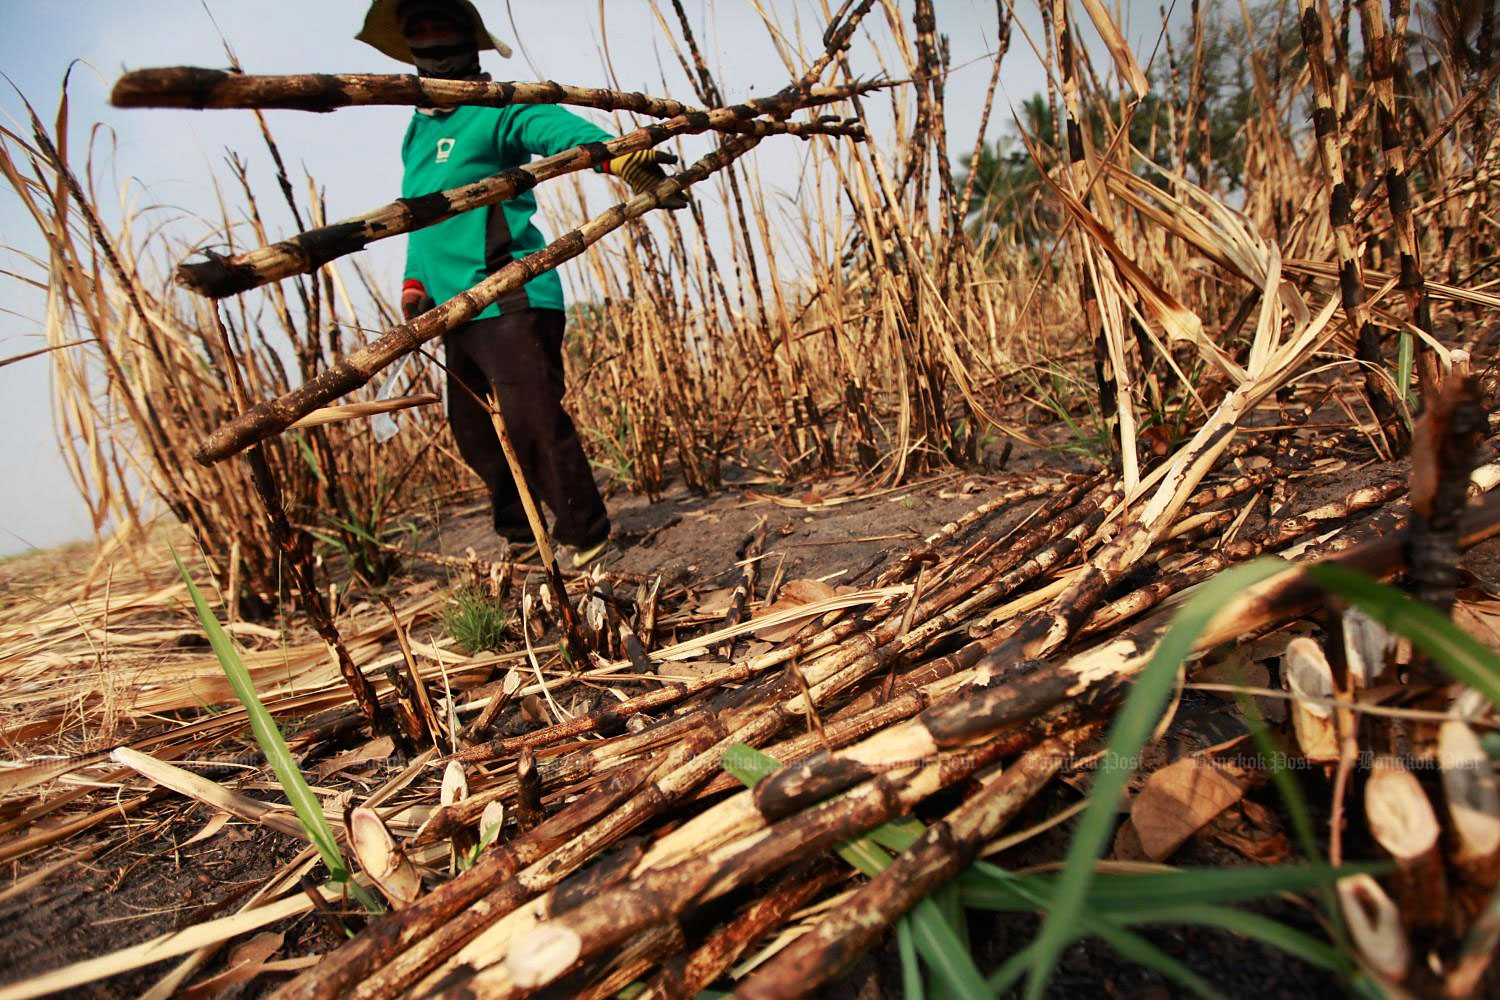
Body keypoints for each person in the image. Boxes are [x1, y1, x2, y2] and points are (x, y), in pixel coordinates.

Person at [357, 0, 683, 568]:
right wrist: (414, 281)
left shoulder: (497, 108)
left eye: (442, 26)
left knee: (532, 417)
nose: (431, 39)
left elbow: (555, 127)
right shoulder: (415, 130)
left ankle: (586, 536)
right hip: (452, 308)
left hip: (508, 291)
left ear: (468, 40)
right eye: (419, 31)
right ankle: (522, 535)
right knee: (475, 433)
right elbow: (416, 213)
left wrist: (623, 160)